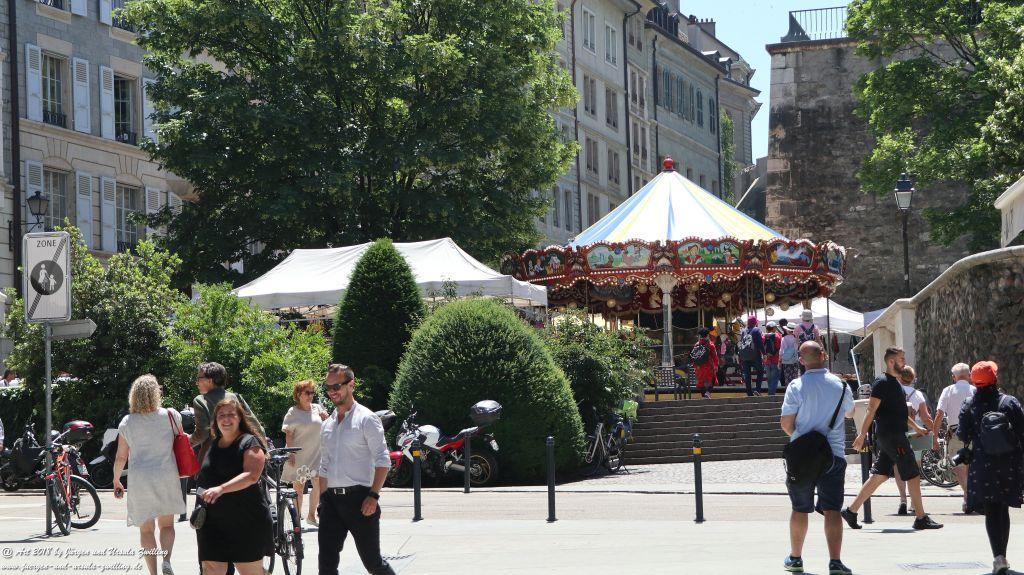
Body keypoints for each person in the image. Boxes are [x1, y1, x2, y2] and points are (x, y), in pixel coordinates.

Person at [841, 347, 942, 530]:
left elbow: (900, 412)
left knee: (879, 475)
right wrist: (862, 434)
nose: (904, 362)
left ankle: (851, 511)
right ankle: (921, 517)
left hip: (893, 435)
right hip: (892, 436)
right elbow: (871, 409)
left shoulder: (895, 383)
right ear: (891, 362)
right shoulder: (882, 382)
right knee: (912, 473)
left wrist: (917, 427)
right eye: (901, 359)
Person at [781, 341, 855, 575]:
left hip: (803, 458)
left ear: (801, 361)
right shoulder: (841, 386)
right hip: (833, 454)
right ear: (823, 355)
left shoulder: (796, 386)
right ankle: (835, 562)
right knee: (833, 509)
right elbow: (850, 413)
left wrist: (803, 440)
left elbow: (786, 424)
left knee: (800, 508)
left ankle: (795, 558)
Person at [318, 364, 395, 575]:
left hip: (360, 500)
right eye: (328, 387)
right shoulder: (328, 424)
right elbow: (324, 465)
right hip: (331, 502)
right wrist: (322, 500)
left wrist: (373, 495)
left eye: (336, 386)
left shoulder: (366, 418)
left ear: (351, 384)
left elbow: (383, 460)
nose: (332, 391)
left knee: (373, 563)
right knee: (326, 566)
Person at [113, 375, 186, 575]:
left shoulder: (127, 422)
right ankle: (167, 560)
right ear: (156, 394)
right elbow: (180, 441)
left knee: (146, 530)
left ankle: (153, 573)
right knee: (167, 525)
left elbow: (121, 457)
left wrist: (116, 480)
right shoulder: (171, 415)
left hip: (140, 480)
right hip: (166, 476)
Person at [957, 361, 1024, 575]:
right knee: (1003, 508)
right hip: (1008, 463)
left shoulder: (969, 404)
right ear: (994, 379)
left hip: (982, 464)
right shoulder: (1009, 402)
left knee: (992, 510)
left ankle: (999, 558)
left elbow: (963, 434)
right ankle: (1002, 556)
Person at [196, 399, 273, 575]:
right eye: (221, 415)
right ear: (215, 420)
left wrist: (221, 489)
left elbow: (251, 475)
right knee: (211, 569)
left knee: (250, 572)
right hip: (213, 522)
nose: (226, 419)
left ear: (240, 418)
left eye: (231, 414)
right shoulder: (214, 444)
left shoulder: (250, 442)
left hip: (246, 520)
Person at [282, 380, 329, 525]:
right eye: (307, 393)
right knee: (299, 487)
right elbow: (289, 434)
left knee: (318, 483)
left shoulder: (317, 408)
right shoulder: (293, 412)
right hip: (299, 454)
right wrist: (291, 453)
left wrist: (327, 418)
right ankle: (297, 518)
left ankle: (311, 516)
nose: (310, 395)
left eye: (312, 392)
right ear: (298, 394)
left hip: (316, 453)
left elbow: (328, 425)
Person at [933, 362, 975, 512]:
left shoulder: (948, 390)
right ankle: (969, 498)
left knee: (958, 467)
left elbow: (939, 414)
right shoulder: (975, 390)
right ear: (969, 375)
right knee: (970, 467)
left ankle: (967, 496)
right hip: (973, 432)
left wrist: (934, 437)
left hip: (955, 432)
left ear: (953, 377)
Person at [893, 365, 934, 516]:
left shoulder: (894, 392)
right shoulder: (918, 395)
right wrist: (934, 430)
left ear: (899, 377)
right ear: (912, 378)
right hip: (916, 432)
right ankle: (913, 503)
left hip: (898, 430)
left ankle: (902, 499)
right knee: (915, 467)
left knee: (898, 465)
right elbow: (925, 417)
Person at [738, 316, 765, 396]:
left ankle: (749, 393)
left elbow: (742, 342)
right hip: (755, 355)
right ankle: (757, 389)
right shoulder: (757, 330)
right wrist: (764, 353)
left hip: (745, 355)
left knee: (747, 374)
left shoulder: (743, 331)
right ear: (755, 322)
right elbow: (760, 343)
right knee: (760, 371)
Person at [692, 328, 719, 399]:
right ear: (707, 335)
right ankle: (708, 393)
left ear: (700, 336)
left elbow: (693, 357)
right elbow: (715, 357)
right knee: (713, 379)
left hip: (699, 367)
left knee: (701, 382)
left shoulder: (696, 345)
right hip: (708, 367)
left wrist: (695, 366)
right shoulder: (711, 345)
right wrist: (716, 365)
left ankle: (703, 395)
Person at [779, 320, 801, 388]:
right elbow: (797, 349)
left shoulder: (784, 339)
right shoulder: (796, 339)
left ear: (787, 330)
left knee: (787, 377)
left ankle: (789, 390)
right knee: (795, 377)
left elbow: (781, 350)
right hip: (795, 360)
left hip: (786, 361)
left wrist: (780, 360)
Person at [763, 321, 783, 396]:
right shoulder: (778, 336)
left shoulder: (763, 336)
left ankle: (770, 394)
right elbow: (780, 347)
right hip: (775, 360)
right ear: (774, 328)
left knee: (769, 379)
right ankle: (771, 395)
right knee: (775, 379)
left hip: (766, 361)